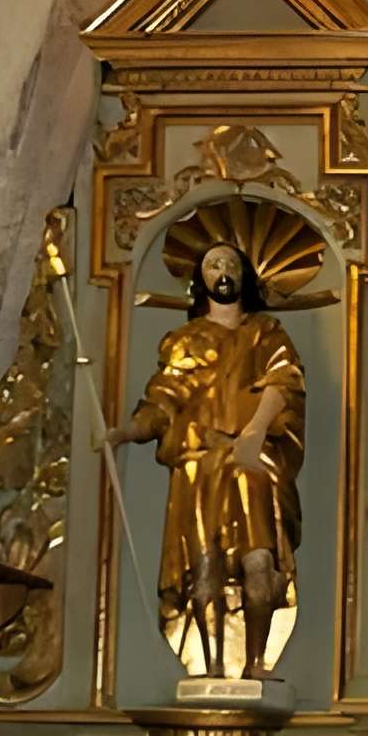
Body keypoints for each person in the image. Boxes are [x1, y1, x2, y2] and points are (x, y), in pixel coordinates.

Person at [113, 240, 305, 680]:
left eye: (231, 264)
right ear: (200, 278)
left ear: (244, 276)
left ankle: (256, 664)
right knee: (204, 568)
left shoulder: (265, 331)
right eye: (213, 265)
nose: (222, 272)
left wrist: (254, 433)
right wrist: (127, 431)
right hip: (200, 466)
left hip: (252, 463)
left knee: (260, 563)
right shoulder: (184, 341)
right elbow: (164, 398)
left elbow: (284, 381)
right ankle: (213, 666)